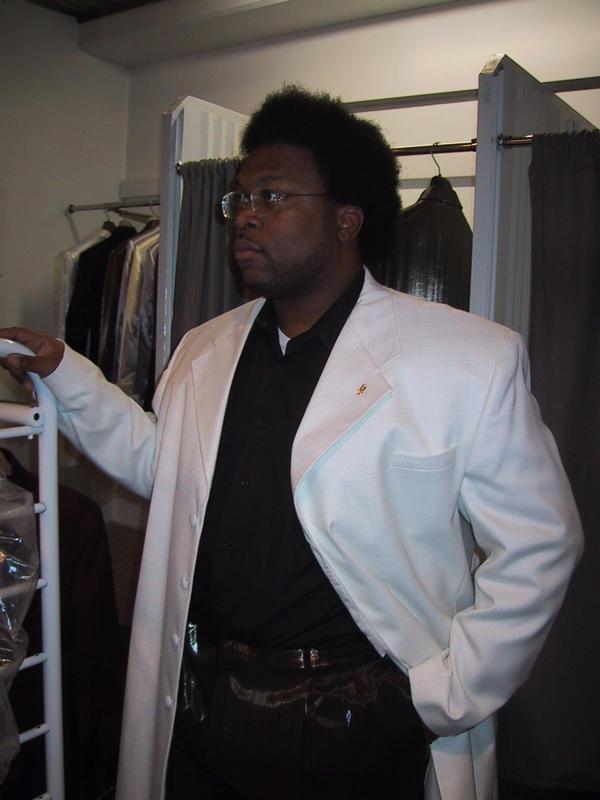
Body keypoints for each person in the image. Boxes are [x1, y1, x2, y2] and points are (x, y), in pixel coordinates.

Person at [0, 86, 583, 800]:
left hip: (354, 718)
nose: (244, 215)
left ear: (346, 219)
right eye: (240, 199)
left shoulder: (466, 359)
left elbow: (541, 542)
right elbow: (168, 471)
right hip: (200, 704)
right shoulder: (204, 348)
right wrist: (67, 373)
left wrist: (440, 695)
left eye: (272, 197)